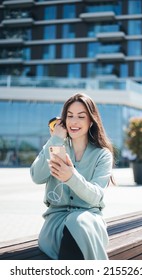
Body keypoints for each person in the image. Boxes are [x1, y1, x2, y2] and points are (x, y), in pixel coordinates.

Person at [30, 93, 115, 260]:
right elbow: (36, 176)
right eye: (69, 116)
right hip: (56, 224)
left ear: (91, 121)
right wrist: (55, 139)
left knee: (78, 222)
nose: (74, 122)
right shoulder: (55, 145)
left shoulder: (102, 155)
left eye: (81, 117)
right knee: (74, 224)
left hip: (89, 221)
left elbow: (96, 196)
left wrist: (71, 177)